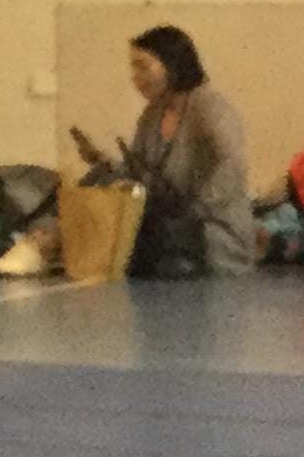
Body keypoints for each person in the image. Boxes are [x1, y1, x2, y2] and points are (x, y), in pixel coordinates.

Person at [74, 24, 253, 278]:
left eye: (143, 67)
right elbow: (139, 176)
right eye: (133, 68)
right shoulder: (151, 116)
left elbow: (232, 168)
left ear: (172, 64)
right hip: (168, 229)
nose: (135, 77)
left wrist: (190, 212)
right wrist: (103, 162)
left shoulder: (211, 108)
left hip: (212, 234)